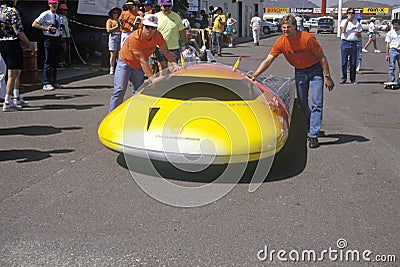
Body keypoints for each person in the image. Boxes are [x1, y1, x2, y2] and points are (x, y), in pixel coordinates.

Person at [248, 14, 334, 149]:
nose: (285, 30)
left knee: (317, 103)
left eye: (288, 27)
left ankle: (313, 135)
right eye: (283, 28)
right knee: (301, 102)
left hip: (315, 71)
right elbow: (268, 60)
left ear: (295, 26)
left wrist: (327, 76)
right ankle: (312, 124)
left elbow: (322, 57)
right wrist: (255, 75)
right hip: (300, 71)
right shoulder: (281, 42)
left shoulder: (307, 38)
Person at [109, 14, 179, 112]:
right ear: (142, 26)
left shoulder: (157, 35)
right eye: (147, 27)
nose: (150, 30)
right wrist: (152, 79)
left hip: (138, 66)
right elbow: (142, 60)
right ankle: (112, 114)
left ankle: (136, 113)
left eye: (153, 27)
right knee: (119, 90)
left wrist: (175, 64)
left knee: (139, 91)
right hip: (125, 62)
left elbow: (165, 51)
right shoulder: (135, 37)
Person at [0, 0, 35, 111]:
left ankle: (14, 97)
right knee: (13, 73)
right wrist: (29, 44)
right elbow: (18, 31)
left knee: (8, 72)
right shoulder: (13, 11)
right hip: (12, 43)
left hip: (2, 42)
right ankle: (7, 101)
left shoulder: (1, 10)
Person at [32, 0, 64, 91]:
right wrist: (46, 28)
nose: (54, 5)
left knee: (55, 61)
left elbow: (59, 29)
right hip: (48, 38)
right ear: (49, 4)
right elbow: (34, 24)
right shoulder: (45, 14)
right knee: (48, 60)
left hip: (56, 39)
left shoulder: (57, 16)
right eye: (52, 4)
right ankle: (46, 82)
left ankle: (54, 81)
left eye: (56, 3)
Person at [155, 0, 189, 69]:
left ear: (171, 7)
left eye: (169, 6)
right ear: (161, 6)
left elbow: (182, 31)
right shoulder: (156, 17)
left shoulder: (176, 16)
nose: (167, 8)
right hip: (159, 48)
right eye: (165, 6)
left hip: (173, 48)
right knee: (162, 69)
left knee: (172, 69)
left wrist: (186, 44)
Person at [339, 7, 362, 84]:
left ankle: (353, 78)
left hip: (354, 43)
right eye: (349, 13)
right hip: (345, 43)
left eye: (352, 13)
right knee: (344, 62)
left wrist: (358, 33)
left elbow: (359, 33)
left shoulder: (357, 23)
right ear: (347, 14)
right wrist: (347, 21)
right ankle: (344, 78)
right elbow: (343, 31)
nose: (351, 14)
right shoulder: (343, 21)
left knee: (353, 62)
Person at [106, 6, 122, 75]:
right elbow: (108, 30)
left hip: (120, 35)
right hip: (113, 36)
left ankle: (118, 68)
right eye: (114, 13)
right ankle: (112, 67)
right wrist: (116, 27)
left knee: (119, 54)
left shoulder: (119, 20)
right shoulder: (109, 21)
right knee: (113, 54)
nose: (116, 14)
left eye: (117, 13)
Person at [385, 19, 400, 85]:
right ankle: (392, 80)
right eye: (394, 25)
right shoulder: (390, 33)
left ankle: (399, 80)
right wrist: (387, 54)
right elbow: (388, 44)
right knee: (392, 66)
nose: (395, 26)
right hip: (392, 50)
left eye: (396, 25)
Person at [58, 3, 70, 68]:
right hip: (63, 36)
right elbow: (60, 27)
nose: (65, 11)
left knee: (66, 49)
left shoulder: (65, 17)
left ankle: (63, 61)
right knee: (63, 49)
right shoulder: (59, 17)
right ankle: (60, 62)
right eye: (64, 10)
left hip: (67, 35)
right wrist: (60, 36)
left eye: (66, 10)